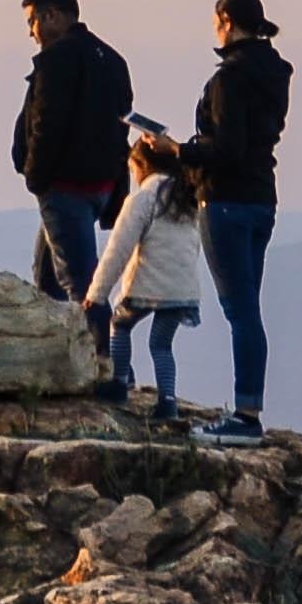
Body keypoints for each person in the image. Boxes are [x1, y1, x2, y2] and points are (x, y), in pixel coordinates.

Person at [179, 0, 294, 440]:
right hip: (262, 198)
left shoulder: (229, 78)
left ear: (227, 20)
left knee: (240, 311)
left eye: (216, 21)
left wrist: (178, 151)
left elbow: (225, 148)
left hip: (224, 200)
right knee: (249, 309)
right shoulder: (273, 73)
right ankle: (249, 408)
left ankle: (245, 418)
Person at [10, 0, 133, 305]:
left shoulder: (57, 60)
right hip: (100, 185)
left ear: (51, 15)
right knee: (48, 277)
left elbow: (47, 121)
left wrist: (36, 177)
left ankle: (100, 353)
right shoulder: (112, 60)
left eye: (32, 21)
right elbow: (122, 124)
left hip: (65, 186)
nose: (31, 32)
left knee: (83, 288)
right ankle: (55, 348)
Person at [82, 129, 208, 413]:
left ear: (142, 167)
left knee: (120, 324)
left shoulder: (143, 199)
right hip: (183, 291)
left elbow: (118, 249)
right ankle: (168, 402)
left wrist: (97, 293)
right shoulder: (187, 200)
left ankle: (118, 382)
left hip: (147, 287)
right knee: (161, 345)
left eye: (133, 169)